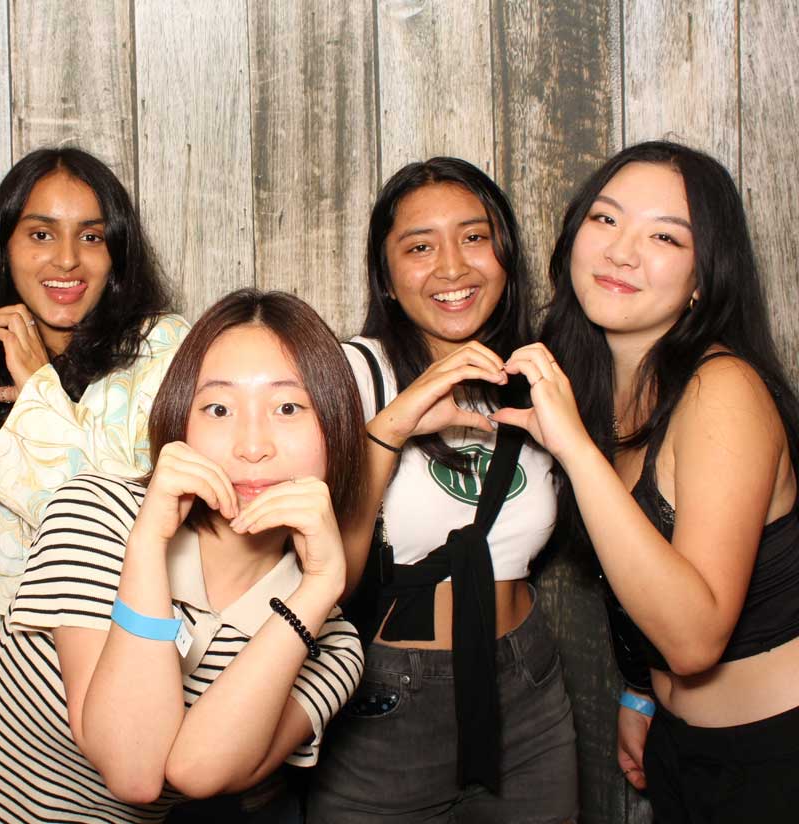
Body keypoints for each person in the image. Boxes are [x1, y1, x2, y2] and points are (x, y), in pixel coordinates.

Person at [0, 289, 367, 824]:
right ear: (181, 422)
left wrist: (319, 588)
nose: (252, 445)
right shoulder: (97, 509)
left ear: (336, 428)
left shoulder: (333, 643)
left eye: (288, 407)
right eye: (219, 408)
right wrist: (146, 545)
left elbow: (192, 771)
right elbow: (131, 768)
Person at [493, 141, 799, 820]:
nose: (622, 251)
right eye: (606, 220)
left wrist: (573, 446)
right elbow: (639, 566)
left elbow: (694, 641)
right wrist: (638, 689)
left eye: (664, 235)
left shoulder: (723, 390)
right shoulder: (606, 390)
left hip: (775, 757)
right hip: (682, 746)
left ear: (703, 276)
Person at [308, 158, 578, 822]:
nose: (452, 267)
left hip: (528, 682)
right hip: (385, 697)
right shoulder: (352, 372)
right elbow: (323, 570)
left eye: (475, 237)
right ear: (389, 278)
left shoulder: (536, 377)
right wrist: (399, 420)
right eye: (420, 247)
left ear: (506, 257)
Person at [0, 147, 187, 621]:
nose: (66, 260)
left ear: (117, 254)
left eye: (91, 237)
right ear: (5, 247)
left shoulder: (165, 348)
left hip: (132, 647)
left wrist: (35, 390)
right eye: (41, 234)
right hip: (19, 666)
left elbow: (116, 537)